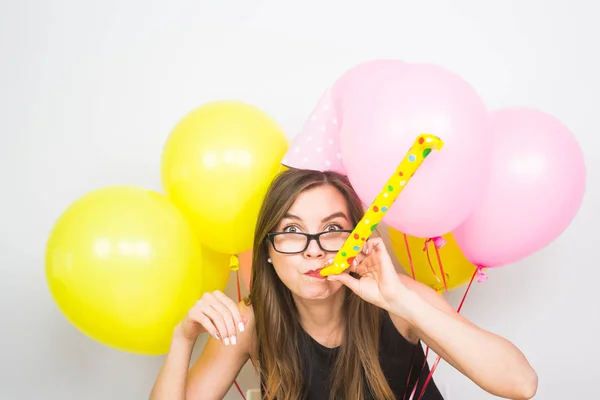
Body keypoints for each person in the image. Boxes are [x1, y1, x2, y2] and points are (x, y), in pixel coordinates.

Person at [150, 169, 538, 400]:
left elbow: (521, 383)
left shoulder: (399, 299)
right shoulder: (250, 323)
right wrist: (182, 339)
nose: (314, 251)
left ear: (358, 237)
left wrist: (401, 301)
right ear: (268, 249)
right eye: (291, 231)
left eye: (333, 229)